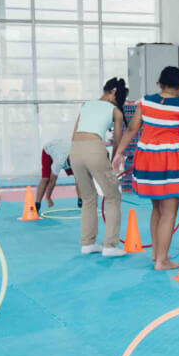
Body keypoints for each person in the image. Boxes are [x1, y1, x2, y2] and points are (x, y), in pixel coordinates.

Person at [112, 66, 179, 270]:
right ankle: (162, 260)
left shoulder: (145, 101)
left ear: (159, 84)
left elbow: (133, 129)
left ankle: (156, 254)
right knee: (169, 211)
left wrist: (119, 153)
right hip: (169, 160)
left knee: (157, 208)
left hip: (145, 159)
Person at [72, 78, 127, 257]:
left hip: (75, 150)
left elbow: (74, 133)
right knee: (113, 196)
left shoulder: (86, 105)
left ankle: (87, 243)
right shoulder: (115, 111)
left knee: (88, 197)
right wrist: (114, 161)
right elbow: (118, 140)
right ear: (112, 92)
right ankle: (110, 246)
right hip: (94, 149)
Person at [34, 138, 80, 212]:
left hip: (62, 147)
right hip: (48, 151)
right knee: (46, 179)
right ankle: (37, 204)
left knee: (79, 177)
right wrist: (48, 197)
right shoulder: (60, 161)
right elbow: (52, 181)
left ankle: (80, 200)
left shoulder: (80, 156)